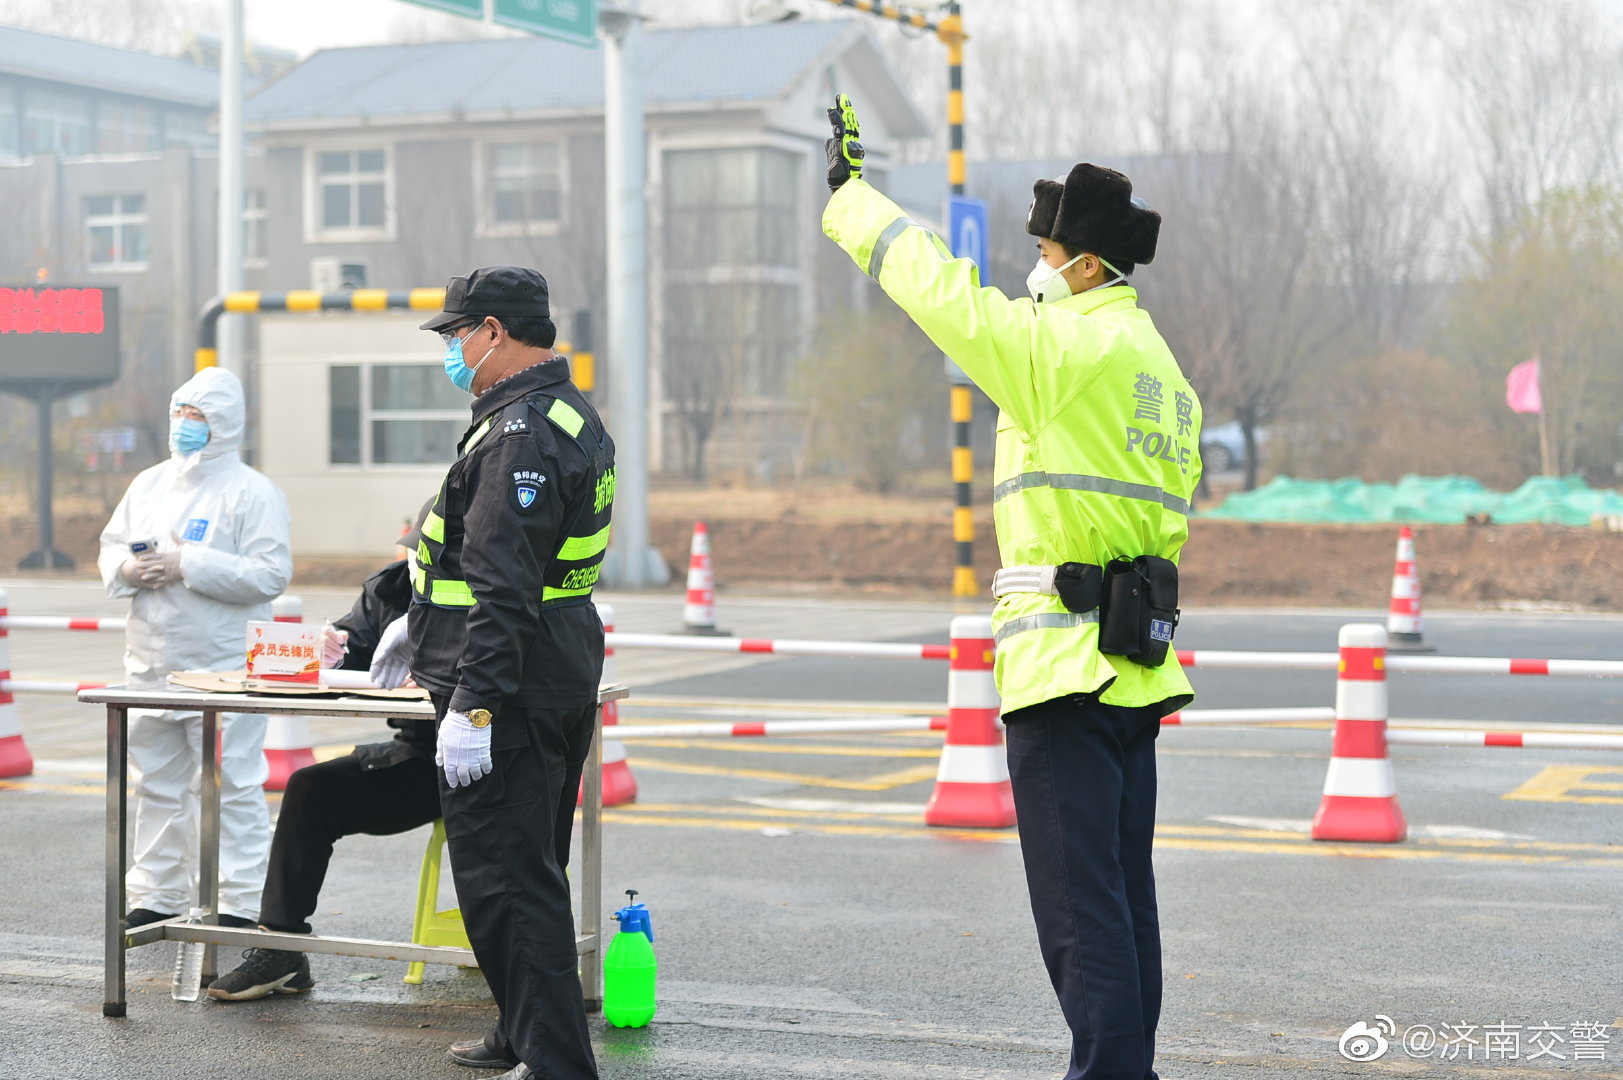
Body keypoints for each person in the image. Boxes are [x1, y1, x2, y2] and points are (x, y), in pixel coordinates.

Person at [820, 98, 1202, 1080]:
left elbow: (942, 295)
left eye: (1044, 250)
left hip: (1062, 667)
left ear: (1079, 263)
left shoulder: (1064, 352)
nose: (1033, 265)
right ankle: (1132, 1067)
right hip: (1133, 664)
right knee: (1124, 901)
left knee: (1082, 919)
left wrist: (855, 201)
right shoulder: (1164, 373)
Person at [369, 265, 615, 1080]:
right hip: (552, 666)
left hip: (507, 687)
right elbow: (503, 571)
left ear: (495, 333)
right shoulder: (560, 416)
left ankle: (554, 1063)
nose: (451, 349)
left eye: (456, 334)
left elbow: (504, 589)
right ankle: (520, 1031)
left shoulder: (518, 436)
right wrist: (417, 620)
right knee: (530, 866)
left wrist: (472, 707)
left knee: (508, 882)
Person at [97, 366, 293, 930]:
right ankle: (155, 894)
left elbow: (269, 574)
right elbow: (112, 549)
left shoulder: (252, 492)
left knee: (231, 788)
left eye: (198, 416)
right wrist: (130, 568)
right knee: (154, 785)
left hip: (224, 669)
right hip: (151, 666)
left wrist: (190, 563)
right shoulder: (149, 484)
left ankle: (238, 902)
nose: (185, 425)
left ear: (225, 424)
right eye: (180, 413)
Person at [206, 526, 436, 1001]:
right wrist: (334, 647)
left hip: (493, 761)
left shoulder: (499, 589)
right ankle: (281, 950)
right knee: (312, 789)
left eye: (430, 552)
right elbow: (356, 648)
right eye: (416, 551)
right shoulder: (391, 589)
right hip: (423, 757)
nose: (419, 561)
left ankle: (523, 967)